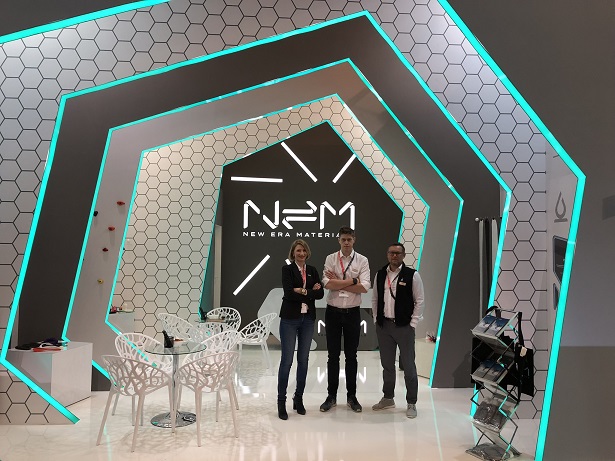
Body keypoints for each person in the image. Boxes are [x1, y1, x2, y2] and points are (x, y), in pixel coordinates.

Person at [319, 226, 370, 413]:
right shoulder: (330, 258)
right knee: (332, 356)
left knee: (351, 356)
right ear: (339, 240)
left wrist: (339, 283)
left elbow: (365, 287)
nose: (346, 242)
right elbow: (327, 284)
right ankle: (331, 396)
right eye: (343, 239)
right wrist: (353, 281)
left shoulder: (362, 260)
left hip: (352, 313)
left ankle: (352, 396)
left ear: (354, 240)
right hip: (333, 312)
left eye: (349, 239)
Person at [371, 242, 425, 419]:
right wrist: (376, 319)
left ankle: (411, 402)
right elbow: (375, 298)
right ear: (387, 254)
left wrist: (413, 324)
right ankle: (388, 398)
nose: (394, 256)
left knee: (408, 365)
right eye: (391, 253)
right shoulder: (380, 274)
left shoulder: (412, 275)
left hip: (404, 327)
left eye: (397, 253)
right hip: (384, 326)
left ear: (403, 255)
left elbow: (419, 301)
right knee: (387, 365)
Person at [277, 239, 324, 420]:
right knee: (287, 361)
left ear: (307, 252)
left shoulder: (312, 270)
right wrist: (310, 291)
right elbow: (288, 293)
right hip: (289, 319)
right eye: (298, 251)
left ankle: (298, 398)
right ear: (293, 253)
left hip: (308, 320)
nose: (301, 254)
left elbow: (320, 294)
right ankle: (281, 402)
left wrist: (302, 291)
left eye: (304, 250)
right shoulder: (287, 269)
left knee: (303, 361)